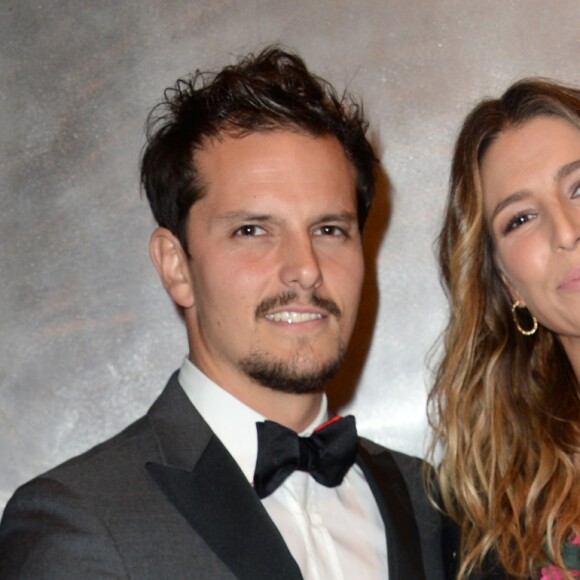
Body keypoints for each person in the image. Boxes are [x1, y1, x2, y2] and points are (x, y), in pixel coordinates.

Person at [0, 46, 450, 579]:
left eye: (329, 230)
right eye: (252, 230)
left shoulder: (434, 508)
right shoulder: (81, 522)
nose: (304, 268)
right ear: (176, 266)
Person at [428, 78, 580, 579]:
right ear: (506, 285)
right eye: (521, 219)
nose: (566, 230)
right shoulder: (493, 515)